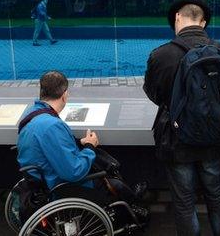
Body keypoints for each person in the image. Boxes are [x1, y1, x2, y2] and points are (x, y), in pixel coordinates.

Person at [143, 0, 220, 236]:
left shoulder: (162, 55)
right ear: (204, 22)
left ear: (177, 19)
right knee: (216, 191)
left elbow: (154, 94)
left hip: (178, 141)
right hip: (214, 136)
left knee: (184, 200)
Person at [16, 71, 148, 213]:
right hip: (58, 185)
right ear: (65, 95)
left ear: (42, 91)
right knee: (114, 182)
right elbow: (74, 171)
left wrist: (79, 142)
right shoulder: (51, 125)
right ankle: (133, 205)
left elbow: (51, 146)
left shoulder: (31, 114)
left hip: (38, 179)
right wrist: (90, 147)